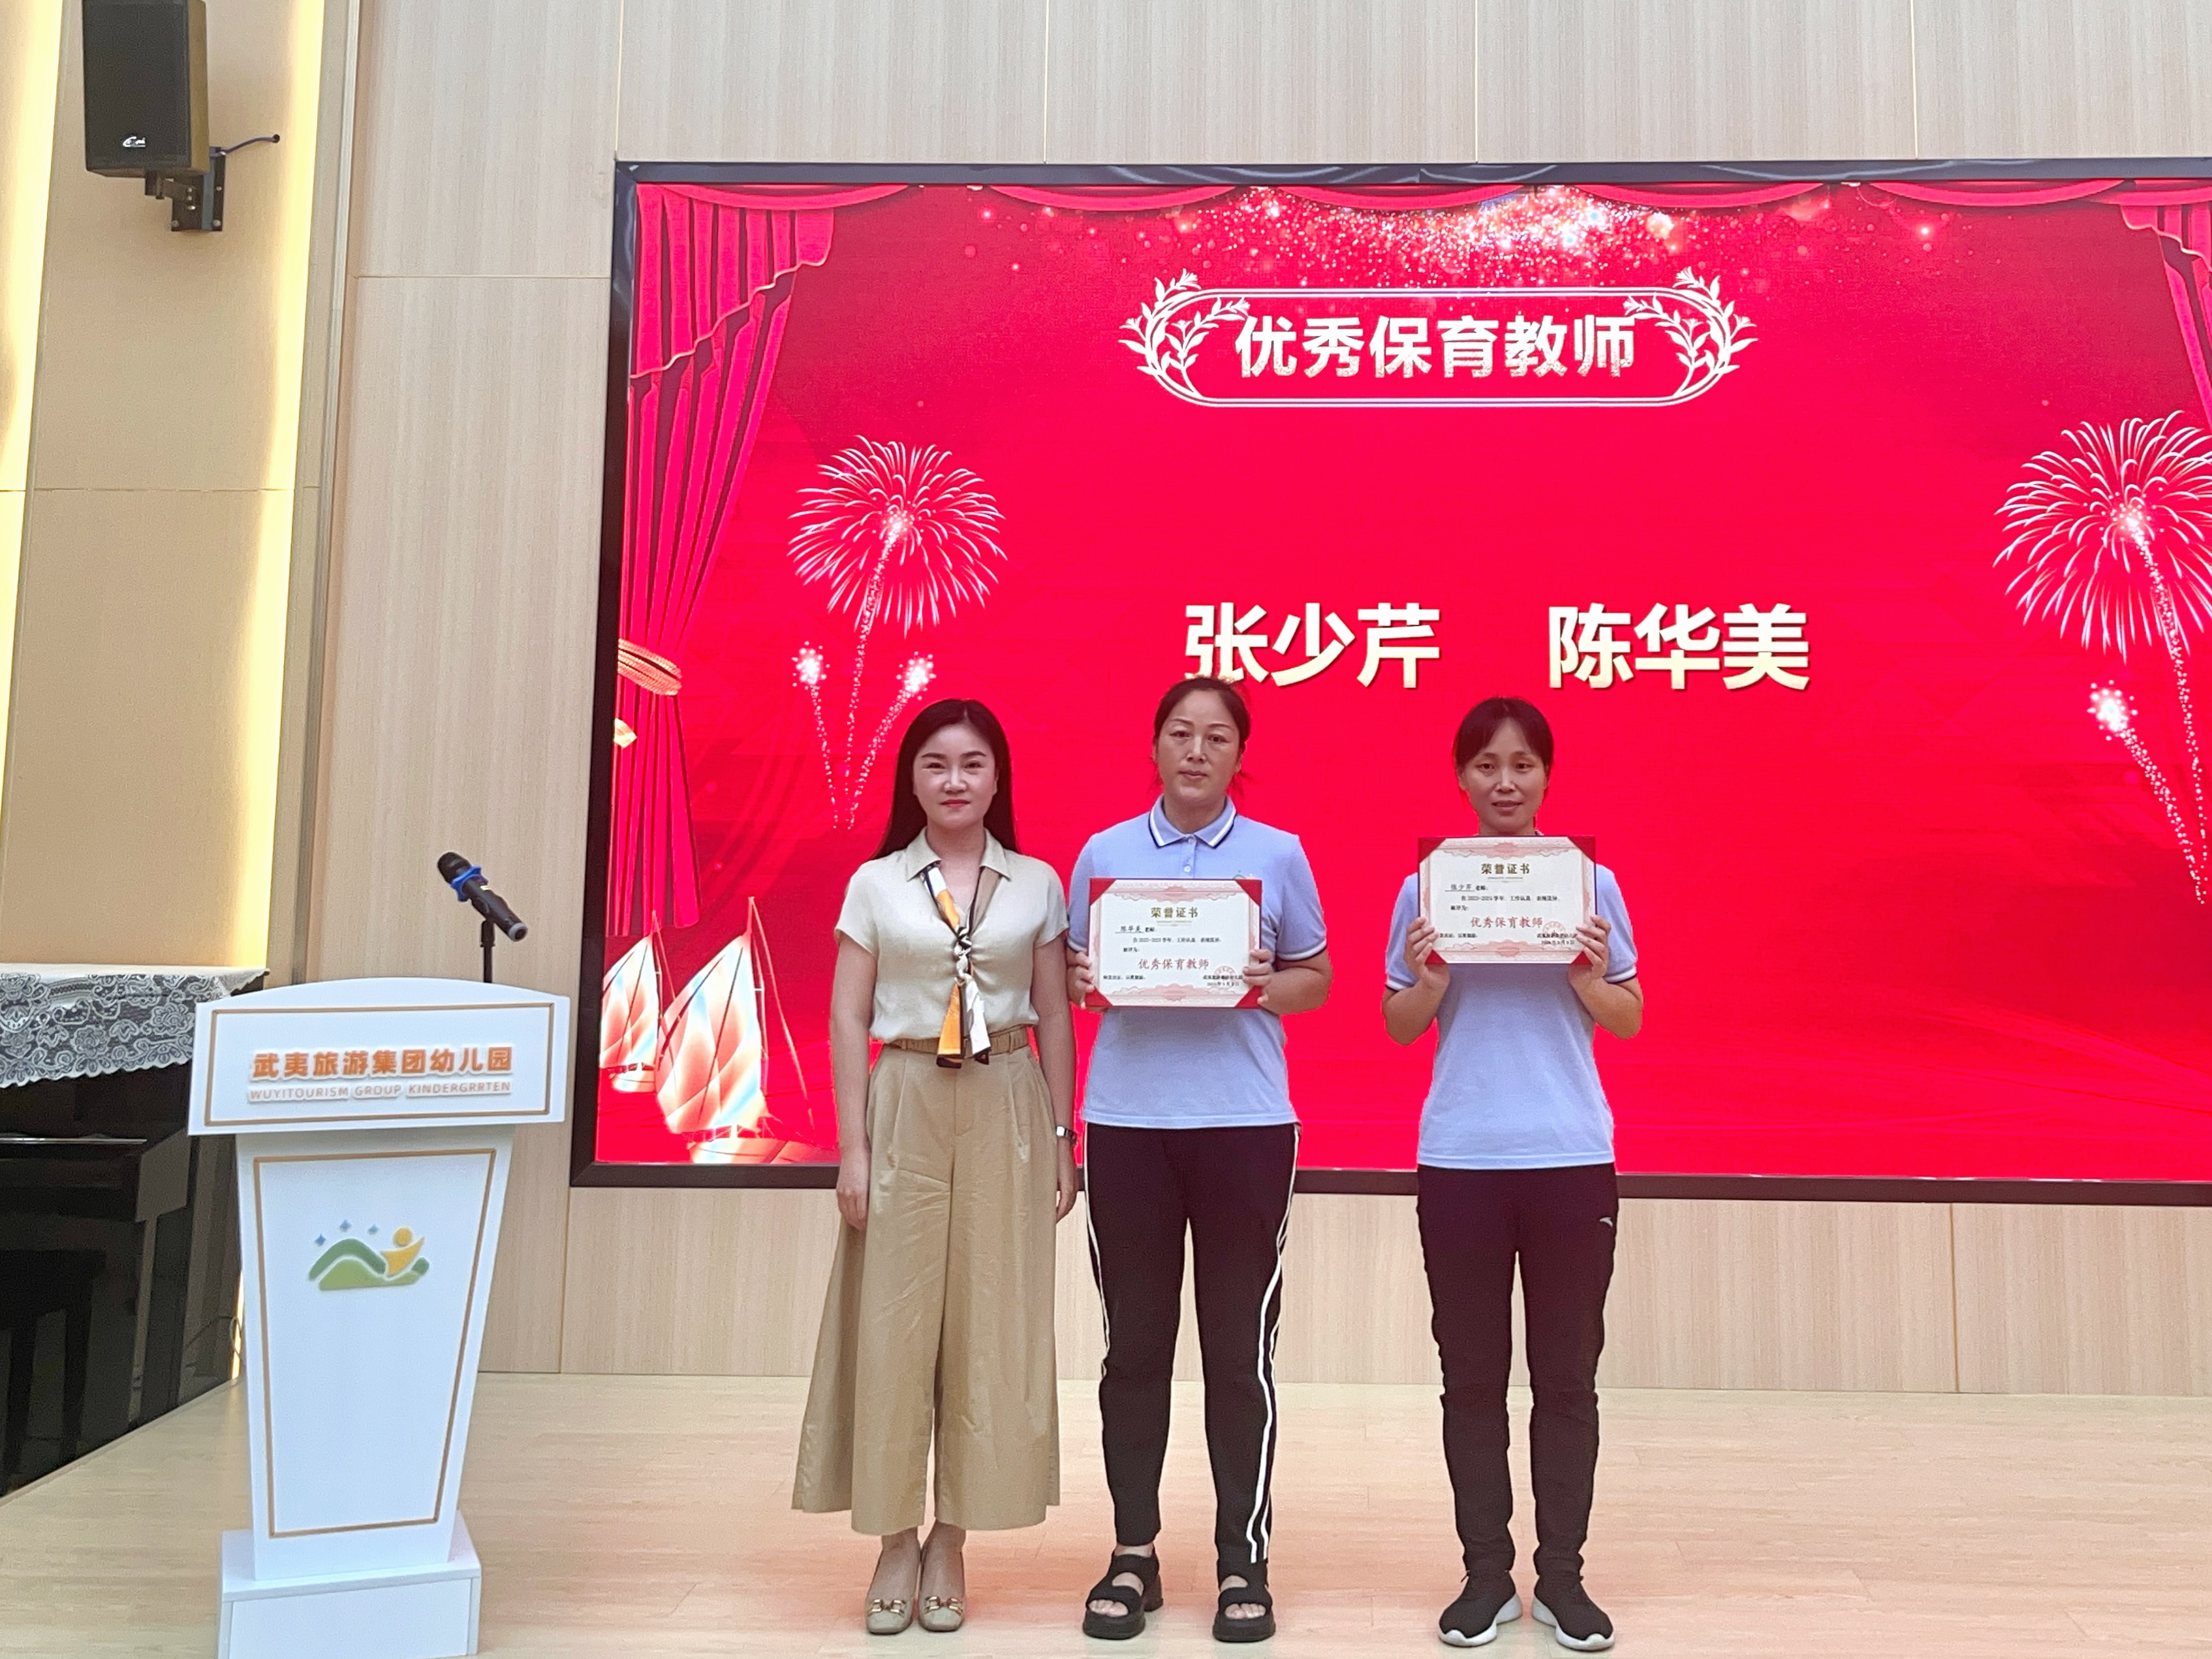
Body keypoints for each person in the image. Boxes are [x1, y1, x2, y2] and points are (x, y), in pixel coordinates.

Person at [792, 698, 1080, 1636]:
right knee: (893, 1323)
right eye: (935, 764)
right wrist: (852, 1147)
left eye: (972, 763)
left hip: (1007, 1097)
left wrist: (1064, 1139)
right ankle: (891, 1539)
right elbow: (846, 1016)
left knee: (991, 1321)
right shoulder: (875, 883)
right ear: (909, 779)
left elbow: (1053, 1012)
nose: (954, 780)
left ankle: (951, 1537)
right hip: (906, 1096)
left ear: (998, 778)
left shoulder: (1037, 882)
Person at [1065, 675, 1332, 1644]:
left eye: (1216, 738)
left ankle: (1240, 1560)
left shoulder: (1278, 853)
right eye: (1179, 733)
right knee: (1134, 1349)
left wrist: (1265, 984)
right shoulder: (1104, 854)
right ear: (1154, 746)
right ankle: (1132, 1552)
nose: (1195, 751)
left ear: (1238, 755)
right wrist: (1083, 977)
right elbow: (1069, 974)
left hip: (1245, 1128)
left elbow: (1316, 977)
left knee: (1237, 1352)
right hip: (1128, 1125)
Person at [1382, 696, 1642, 1654]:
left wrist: (1590, 980)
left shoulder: (1590, 884)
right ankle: (1486, 1576)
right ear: (1460, 778)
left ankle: (1562, 1577)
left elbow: (1629, 1017)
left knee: (1566, 1379)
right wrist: (1430, 983)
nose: (1504, 781)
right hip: (1461, 1158)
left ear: (1546, 776)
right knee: (1471, 1380)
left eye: (1522, 764)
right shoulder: (1425, 888)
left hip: (1569, 1154)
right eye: (1486, 765)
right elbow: (1398, 1025)